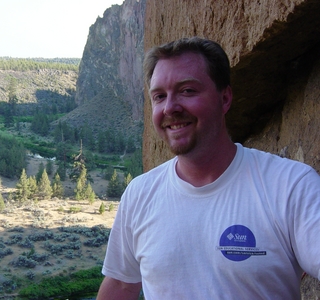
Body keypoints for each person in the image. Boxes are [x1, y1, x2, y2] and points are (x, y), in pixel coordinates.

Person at [96, 37, 320, 299]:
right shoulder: (139, 195)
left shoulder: (289, 185)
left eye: (187, 91)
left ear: (224, 98)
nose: (170, 108)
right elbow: (121, 285)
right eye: (159, 96)